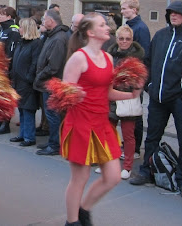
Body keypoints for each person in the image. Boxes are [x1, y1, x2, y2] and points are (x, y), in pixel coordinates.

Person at [61, 13, 141, 226]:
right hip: (80, 123)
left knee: (113, 176)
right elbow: (63, 94)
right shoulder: (79, 57)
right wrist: (75, 95)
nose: (108, 28)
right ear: (90, 32)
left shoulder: (107, 58)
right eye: (102, 25)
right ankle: (72, 221)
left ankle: (83, 210)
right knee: (80, 178)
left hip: (101, 123)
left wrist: (131, 94)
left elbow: (107, 93)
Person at [130, 0, 182, 200]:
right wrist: (149, 85)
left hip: (181, 99)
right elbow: (148, 62)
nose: (174, 16)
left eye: (178, 13)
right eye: (171, 12)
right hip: (158, 96)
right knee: (152, 136)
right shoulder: (160, 36)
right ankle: (147, 170)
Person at [103, 25, 145, 180]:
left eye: (128, 39)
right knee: (108, 133)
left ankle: (127, 167)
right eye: (121, 38)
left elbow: (140, 80)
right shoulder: (110, 55)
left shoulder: (137, 57)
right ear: (117, 39)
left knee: (128, 135)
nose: (124, 41)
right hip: (111, 98)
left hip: (127, 98)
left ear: (132, 40)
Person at [33, 9, 70, 155]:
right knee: (51, 115)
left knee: (53, 115)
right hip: (47, 82)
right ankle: (52, 141)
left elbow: (53, 66)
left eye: (44, 19)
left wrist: (40, 76)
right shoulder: (52, 36)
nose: (42, 22)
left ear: (51, 21)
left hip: (51, 83)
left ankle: (54, 145)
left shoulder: (59, 38)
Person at [10, 18, 42, 146]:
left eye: (21, 27)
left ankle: (29, 137)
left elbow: (35, 63)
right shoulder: (21, 42)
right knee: (22, 109)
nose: (19, 29)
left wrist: (29, 77)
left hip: (27, 83)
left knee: (28, 110)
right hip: (19, 81)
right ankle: (22, 134)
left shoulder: (35, 43)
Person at [0, 7, 20, 135]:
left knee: (5, 98)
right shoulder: (1, 29)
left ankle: (5, 123)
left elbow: (10, 51)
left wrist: (6, 67)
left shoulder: (13, 30)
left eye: (2, 14)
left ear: (9, 17)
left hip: (5, 69)